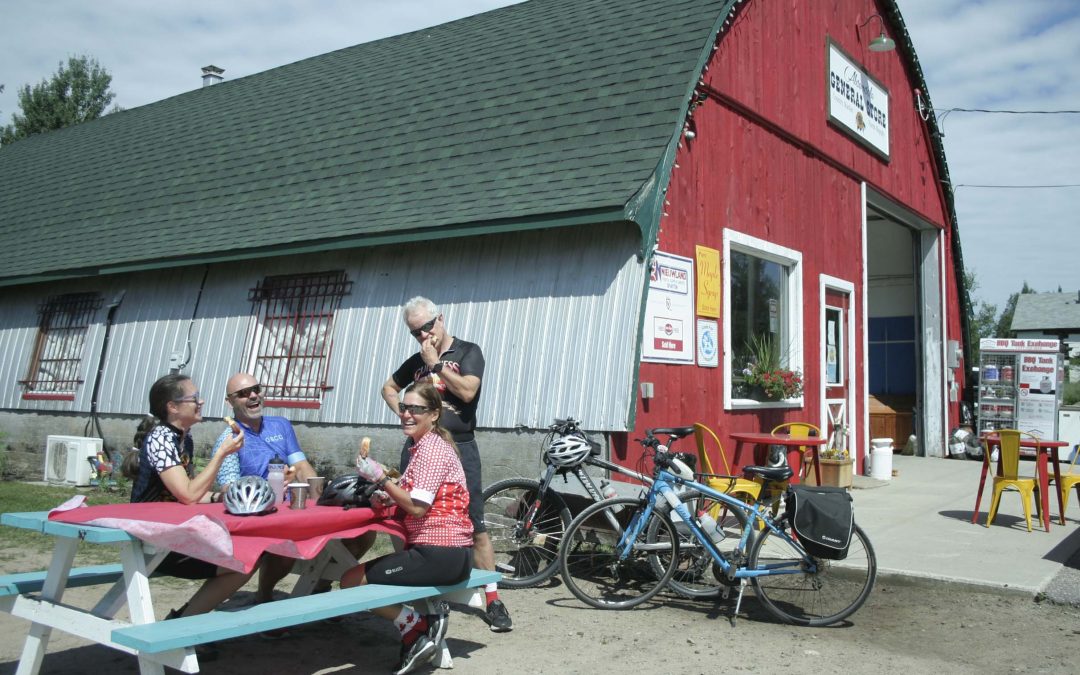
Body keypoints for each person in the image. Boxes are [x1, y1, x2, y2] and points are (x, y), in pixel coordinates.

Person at [381, 296, 512, 632]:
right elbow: (389, 387)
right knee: (409, 517)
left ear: (440, 318)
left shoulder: (467, 352)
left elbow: (468, 392)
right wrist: (404, 414)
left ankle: (492, 599)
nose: (424, 335)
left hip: (460, 448)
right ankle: (418, 589)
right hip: (420, 449)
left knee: (475, 523)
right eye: (415, 332)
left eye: (427, 327)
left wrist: (436, 365)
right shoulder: (416, 361)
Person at [210, 372, 376, 608]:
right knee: (286, 545)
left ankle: (319, 586)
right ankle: (264, 595)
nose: (254, 395)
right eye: (244, 393)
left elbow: (301, 466)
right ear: (230, 402)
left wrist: (324, 499)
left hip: (296, 510)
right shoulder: (229, 438)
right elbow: (229, 490)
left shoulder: (280, 425)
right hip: (262, 519)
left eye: (256, 389)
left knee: (363, 535)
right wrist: (264, 494)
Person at [347, 383, 473, 675]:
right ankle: (419, 630)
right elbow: (413, 495)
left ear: (434, 414)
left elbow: (417, 507)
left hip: (440, 553)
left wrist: (380, 479)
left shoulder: (431, 450)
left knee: (351, 580)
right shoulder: (425, 446)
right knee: (357, 578)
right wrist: (388, 494)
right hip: (451, 554)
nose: (406, 414)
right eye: (404, 407)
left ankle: (416, 626)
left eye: (416, 409)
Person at [128, 374, 255, 658]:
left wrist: (221, 497)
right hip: (153, 539)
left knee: (245, 559)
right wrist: (221, 455)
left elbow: (192, 492)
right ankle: (180, 629)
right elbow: (187, 494)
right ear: (173, 407)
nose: (201, 401)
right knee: (240, 563)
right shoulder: (161, 438)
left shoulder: (184, 438)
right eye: (194, 398)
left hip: (174, 533)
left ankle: (181, 623)